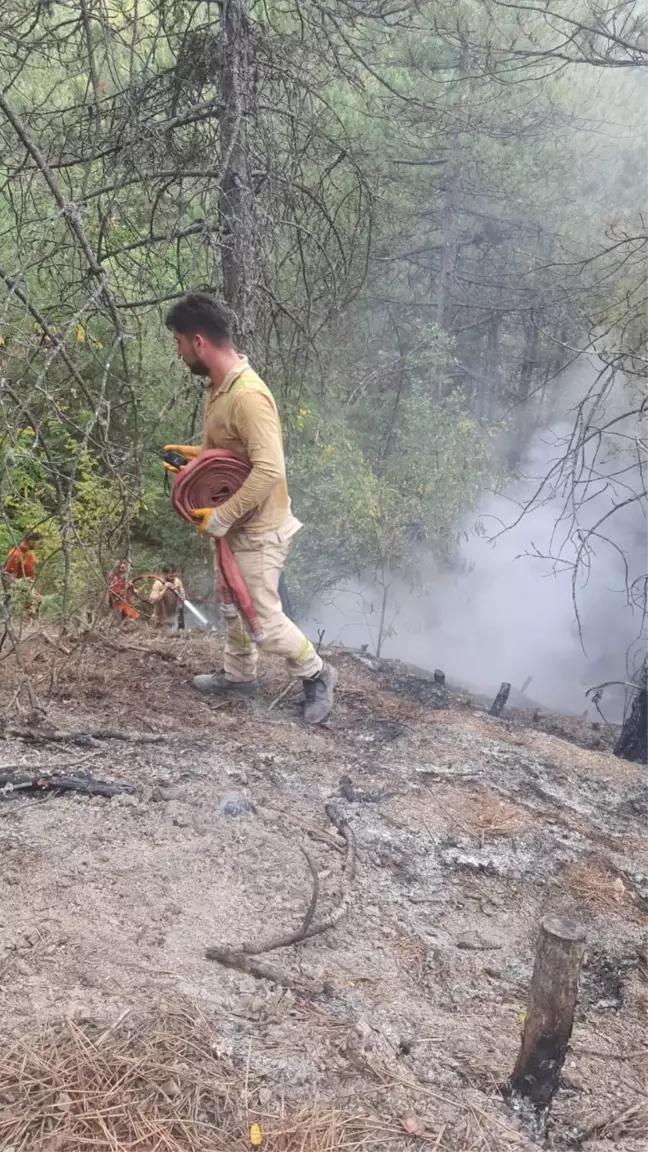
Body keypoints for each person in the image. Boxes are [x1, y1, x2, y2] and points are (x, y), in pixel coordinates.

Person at [163, 292, 337, 724]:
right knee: (228, 603)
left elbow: (268, 471)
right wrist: (190, 460)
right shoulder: (218, 389)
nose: (179, 352)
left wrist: (221, 516)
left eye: (179, 343)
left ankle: (317, 673)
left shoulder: (248, 396)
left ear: (199, 342)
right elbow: (224, 455)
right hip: (234, 526)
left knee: (261, 614)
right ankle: (240, 676)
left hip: (259, 529)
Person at [2, 532, 43, 615]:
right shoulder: (15, 554)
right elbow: (7, 576)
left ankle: (32, 622)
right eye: (38, 542)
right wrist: (22, 587)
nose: (39, 545)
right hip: (19, 585)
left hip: (28, 584)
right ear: (30, 541)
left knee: (39, 600)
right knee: (35, 600)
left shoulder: (29, 552)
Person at [149, 564, 186, 631]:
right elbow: (153, 601)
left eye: (175, 576)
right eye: (171, 576)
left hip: (173, 617)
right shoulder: (158, 584)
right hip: (161, 618)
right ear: (164, 574)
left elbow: (183, 595)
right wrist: (165, 589)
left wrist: (181, 594)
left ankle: (180, 627)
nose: (173, 578)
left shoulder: (177, 581)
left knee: (181, 608)